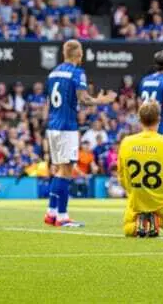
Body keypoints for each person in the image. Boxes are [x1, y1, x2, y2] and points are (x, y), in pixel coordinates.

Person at [44, 40, 117, 227]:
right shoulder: (77, 73)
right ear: (79, 54)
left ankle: (51, 213)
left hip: (53, 125)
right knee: (66, 171)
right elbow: (83, 98)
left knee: (60, 169)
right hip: (67, 126)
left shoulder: (53, 73)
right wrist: (103, 100)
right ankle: (63, 216)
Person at [118, 101, 163, 237]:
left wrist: (133, 193)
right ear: (159, 119)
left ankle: (145, 224)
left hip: (137, 203)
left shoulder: (126, 142)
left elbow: (122, 177)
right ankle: (159, 221)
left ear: (139, 120)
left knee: (128, 227)